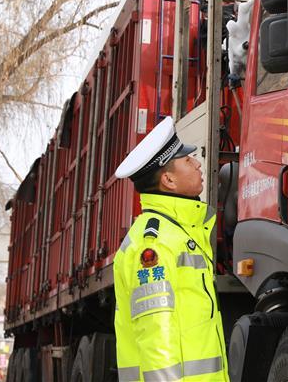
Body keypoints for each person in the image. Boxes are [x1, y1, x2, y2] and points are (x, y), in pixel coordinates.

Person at [112, 116, 228, 381]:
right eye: (188, 161)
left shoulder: (178, 232)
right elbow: (156, 334)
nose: (198, 164)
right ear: (169, 181)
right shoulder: (155, 243)